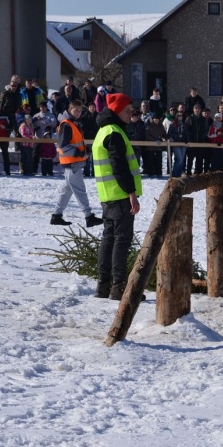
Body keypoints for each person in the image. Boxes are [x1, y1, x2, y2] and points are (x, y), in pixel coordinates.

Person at [92, 93, 142, 300]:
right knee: (121, 241)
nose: (131, 114)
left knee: (109, 239)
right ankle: (119, 286)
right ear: (116, 111)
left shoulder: (103, 131)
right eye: (127, 111)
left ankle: (104, 286)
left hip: (107, 195)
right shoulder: (115, 133)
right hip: (120, 195)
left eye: (132, 111)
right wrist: (131, 193)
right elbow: (119, 167)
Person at [50, 100, 102, 227]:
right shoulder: (67, 124)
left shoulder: (73, 123)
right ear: (69, 110)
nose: (78, 112)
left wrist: (84, 151)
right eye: (76, 110)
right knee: (80, 190)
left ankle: (56, 216)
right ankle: (89, 216)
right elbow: (63, 145)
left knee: (67, 190)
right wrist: (79, 154)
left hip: (73, 162)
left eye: (80, 110)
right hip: (72, 162)